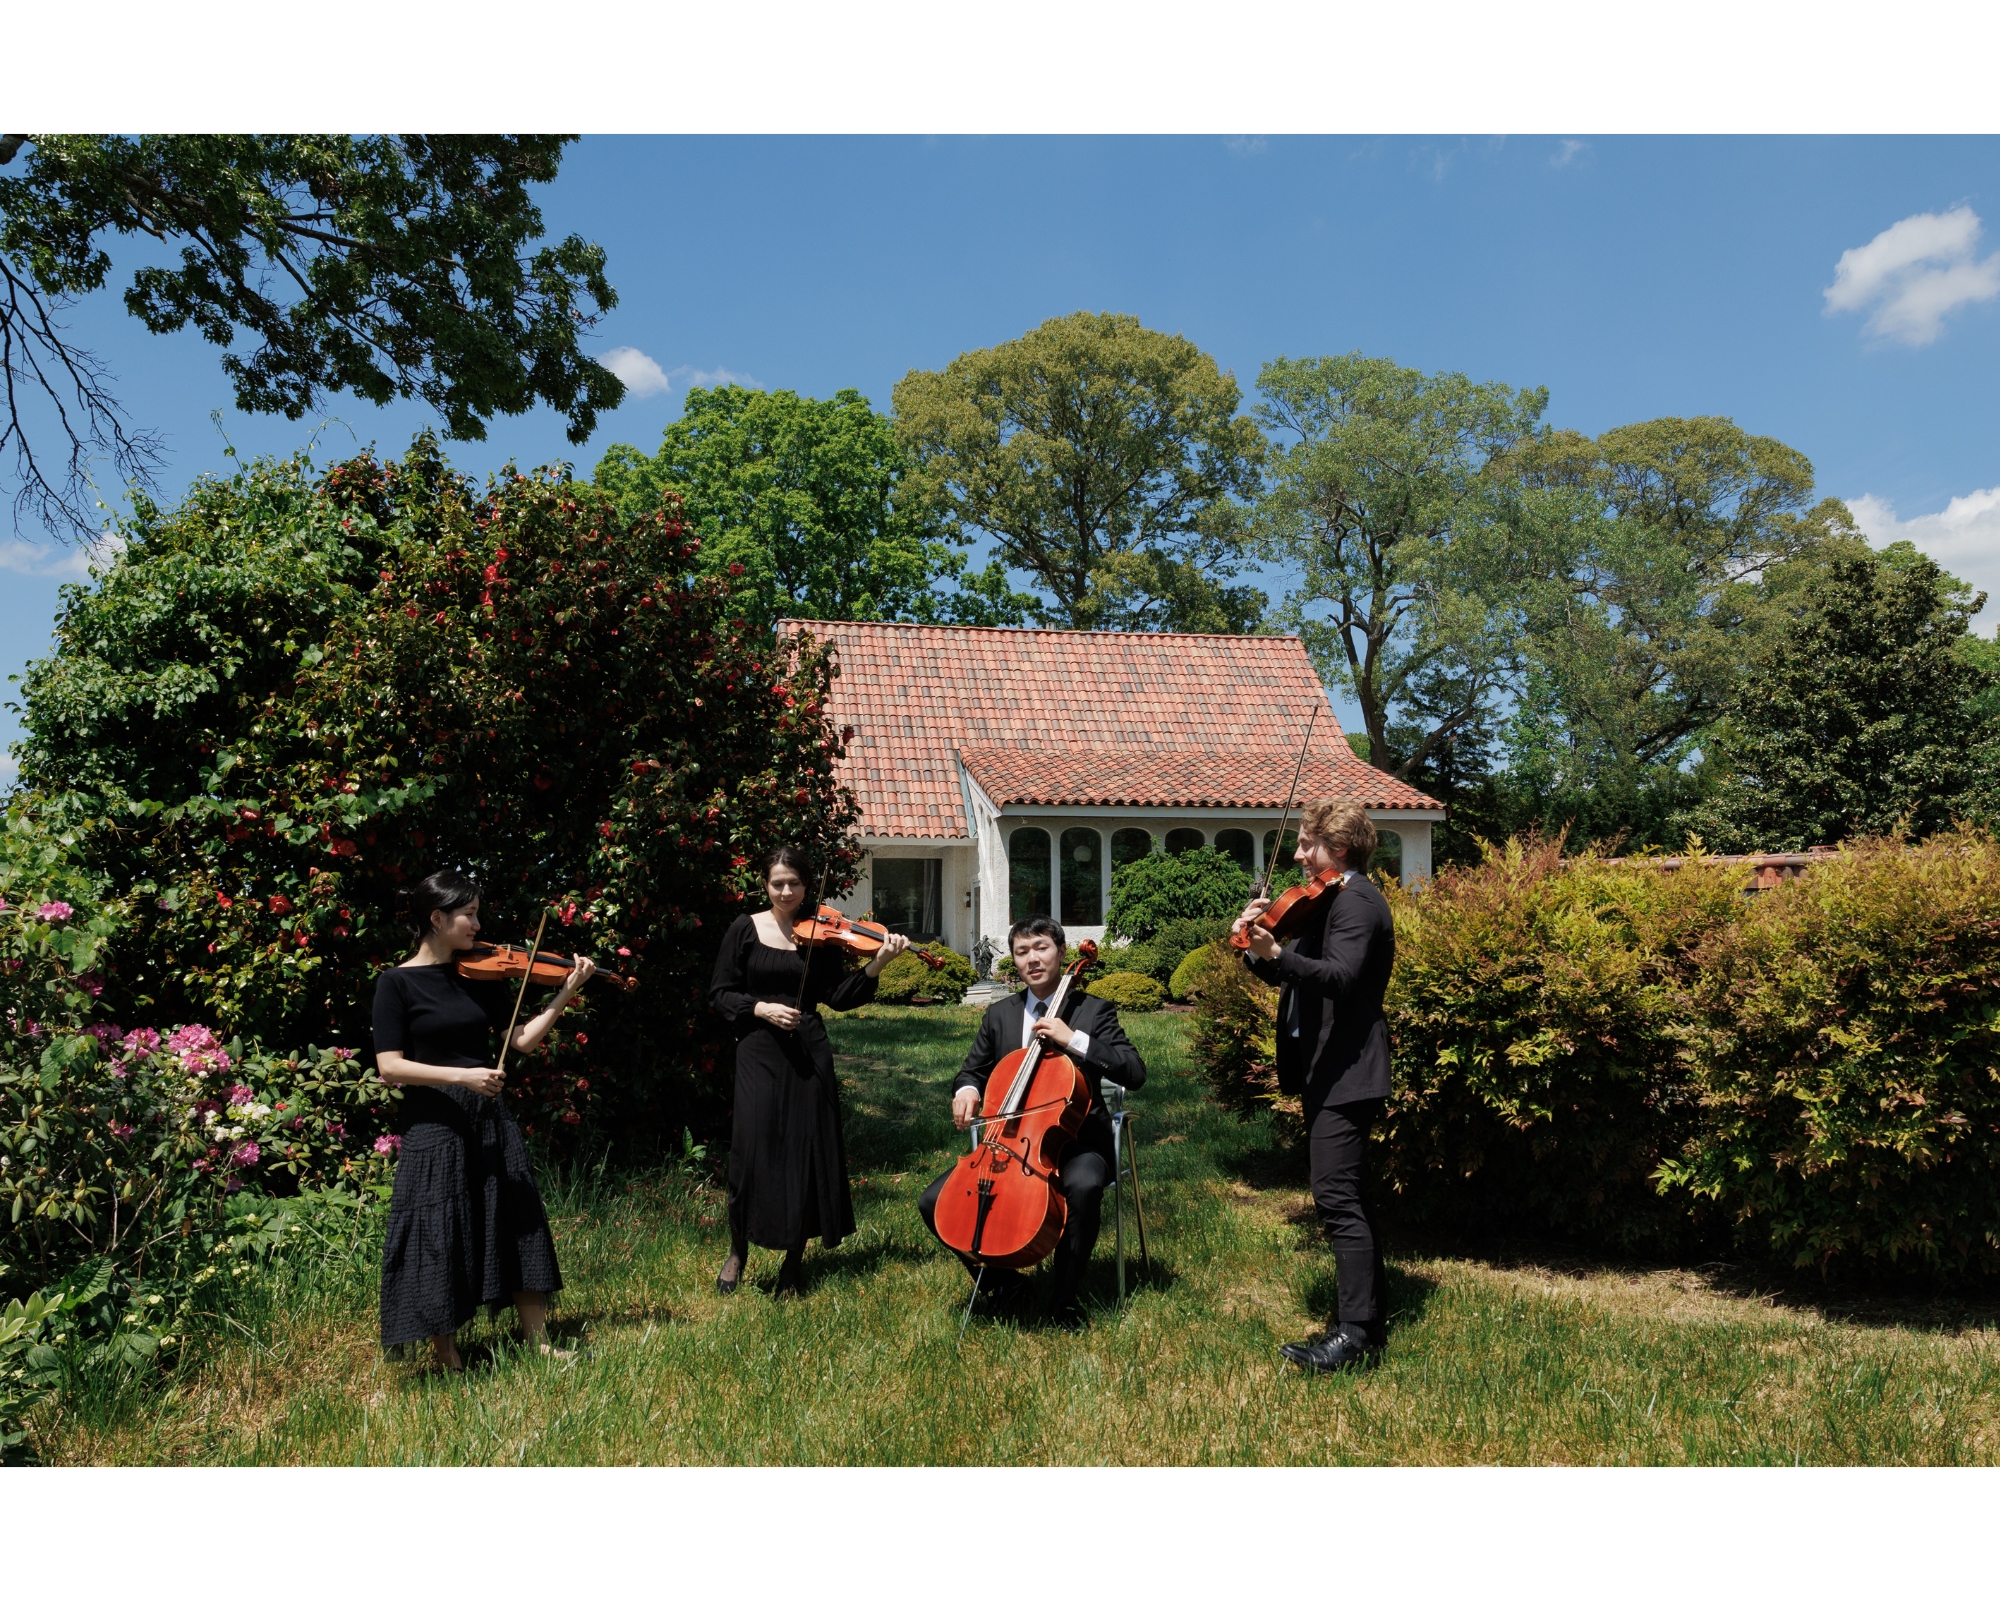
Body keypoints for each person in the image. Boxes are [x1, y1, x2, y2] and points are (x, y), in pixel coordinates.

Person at [372, 869, 593, 1369]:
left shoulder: (476, 974)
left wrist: (565, 992)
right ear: (436, 918)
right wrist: (461, 1077)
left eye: (476, 913)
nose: (477, 924)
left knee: (516, 1218)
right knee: (438, 1228)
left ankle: (539, 1343)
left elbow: (520, 1043)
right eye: (468, 914)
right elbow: (389, 1067)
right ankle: (446, 1355)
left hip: (488, 1115)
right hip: (435, 1120)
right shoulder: (396, 983)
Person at [917, 915, 1147, 1331]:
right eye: (1022, 952)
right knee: (934, 1203)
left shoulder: (1093, 1011)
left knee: (1084, 1186)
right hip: (1007, 1146)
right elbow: (972, 1071)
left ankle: (1063, 1300)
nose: (1033, 959)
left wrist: (1072, 1039)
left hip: (1079, 1141)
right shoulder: (999, 1015)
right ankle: (1004, 1285)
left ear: (1061, 952)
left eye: (1041, 948)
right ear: (1015, 963)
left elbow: (1134, 1071)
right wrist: (966, 1090)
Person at [1234, 798, 1397, 1374]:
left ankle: (1354, 1336)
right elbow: (1291, 971)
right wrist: (1255, 951)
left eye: (1309, 845)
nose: (1300, 855)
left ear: (1340, 848)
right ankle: (1369, 1320)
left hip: (1349, 1070)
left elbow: (1342, 980)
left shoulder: (1356, 903)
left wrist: (1279, 951)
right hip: (1327, 1068)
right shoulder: (1329, 902)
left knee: (1334, 1197)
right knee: (1348, 1195)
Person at [708, 846, 908, 1297]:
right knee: (751, 1152)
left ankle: (793, 1262)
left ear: (806, 885)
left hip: (808, 1050)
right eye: (777, 882)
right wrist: (760, 1007)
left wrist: (878, 964)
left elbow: (837, 995)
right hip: (758, 1051)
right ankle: (738, 1250)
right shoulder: (745, 928)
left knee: (804, 1151)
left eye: (794, 883)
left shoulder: (820, 931)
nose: (785, 891)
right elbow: (720, 994)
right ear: (765, 883)